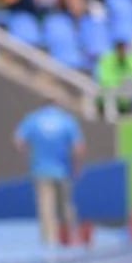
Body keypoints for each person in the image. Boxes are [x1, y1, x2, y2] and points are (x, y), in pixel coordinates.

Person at [15, 101, 85, 247]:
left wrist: (27, 157)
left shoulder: (33, 119)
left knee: (46, 208)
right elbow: (78, 147)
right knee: (65, 206)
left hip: (40, 170)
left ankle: (49, 242)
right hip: (63, 170)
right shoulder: (66, 120)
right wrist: (77, 167)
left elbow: (19, 141)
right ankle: (69, 237)